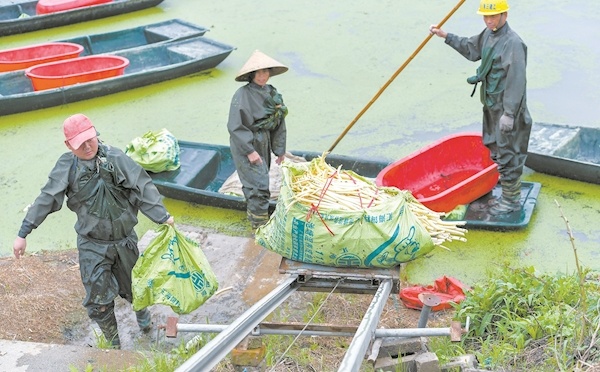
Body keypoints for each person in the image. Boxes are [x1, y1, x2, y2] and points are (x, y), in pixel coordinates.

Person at [13, 113, 175, 349]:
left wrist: (162, 216)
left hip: (124, 240)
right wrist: (23, 232)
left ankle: (144, 319)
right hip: (92, 245)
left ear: (96, 134)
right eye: (80, 143)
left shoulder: (117, 158)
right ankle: (114, 346)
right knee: (98, 300)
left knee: (135, 289)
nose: (88, 146)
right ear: (69, 145)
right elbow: (47, 198)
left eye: (90, 139)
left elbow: (143, 186)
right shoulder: (66, 167)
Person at [429, 0, 532, 215]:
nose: (488, 20)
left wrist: (510, 114)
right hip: (491, 106)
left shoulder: (512, 43)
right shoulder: (488, 34)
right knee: (494, 147)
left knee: (508, 153)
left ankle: (511, 201)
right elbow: (471, 48)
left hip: (507, 111)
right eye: (485, 17)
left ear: (505, 15)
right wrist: (446, 36)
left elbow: (516, 80)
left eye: (493, 16)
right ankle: (504, 193)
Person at [227, 50, 289, 228]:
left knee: (261, 178)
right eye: (259, 72)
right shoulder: (242, 95)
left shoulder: (272, 93)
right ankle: (258, 225)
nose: (262, 76)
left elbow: (278, 122)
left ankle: (256, 216)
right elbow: (235, 126)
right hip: (246, 141)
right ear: (251, 74)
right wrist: (250, 151)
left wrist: (280, 150)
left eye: (265, 72)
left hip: (264, 140)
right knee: (258, 185)